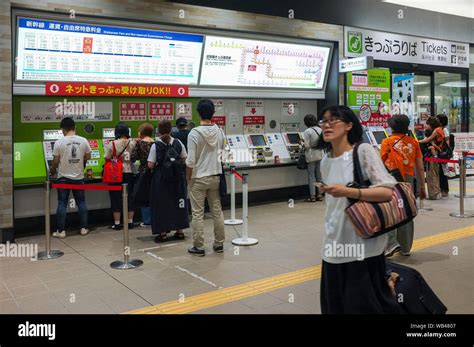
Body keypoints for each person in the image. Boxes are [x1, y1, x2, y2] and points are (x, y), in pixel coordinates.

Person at [316, 105, 400, 314]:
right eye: (324, 121)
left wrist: (349, 192)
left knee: (364, 306)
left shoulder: (362, 151)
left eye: (333, 120)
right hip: (333, 242)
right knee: (335, 305)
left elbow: (387, 192)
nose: (327, 124)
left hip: (363, 245)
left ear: (349, 125)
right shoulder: (325, 160)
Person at [381, 115, 426, 257]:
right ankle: (405, 248)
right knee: (406, 211)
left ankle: (391, 244)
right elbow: (420, 167)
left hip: (391, 179)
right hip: (407, 180)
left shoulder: (387, 142)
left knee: (391, 212)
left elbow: (381, 164)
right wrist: (421, 187)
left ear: (392, 127)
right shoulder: (413, 142)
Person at [186, 99, 226, 256]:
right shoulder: (220, 131)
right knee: (217, 211)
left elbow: (190, 161)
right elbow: (223, 153)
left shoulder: (194, 133)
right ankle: (219, 243)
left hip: (198, 178)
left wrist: (188, 178)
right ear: (213, 113)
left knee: (197, 213)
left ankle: (198, 246)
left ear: (198, 113)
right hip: (215, 177)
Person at [50, 117, 91, 238]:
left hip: (62, 177)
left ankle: (61, 231)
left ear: (63, 129)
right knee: (81, 202)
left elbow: (55, 161)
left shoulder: (59, 142)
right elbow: (88, 156)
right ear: (74, 127)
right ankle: (84, 228)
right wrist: (80, 163)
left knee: (62, 203)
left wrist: (52, 171)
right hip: (79, 177)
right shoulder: (83, 140)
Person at [148, 120, 189, 242]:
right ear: (171, 130)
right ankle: (180, 231)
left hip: (161, 180)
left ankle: (163, 233)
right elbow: (185, 159)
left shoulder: (156, 145)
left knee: (161, 205)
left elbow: (150, 164)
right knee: (179, 203)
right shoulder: (178, 142)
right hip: (177, 178)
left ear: (159, 131)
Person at [104, 122, 136, 230]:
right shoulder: (132, 143)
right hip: (130, 172)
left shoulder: (112, 144)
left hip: (116, 174)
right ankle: (130, 222)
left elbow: (107, 157)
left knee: (115, 197)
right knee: (130, 197)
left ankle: (117, 223)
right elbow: (134, 157)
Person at [131, 123, 154, 227]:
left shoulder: (139, 143)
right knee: (154, 195)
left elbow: (133, 158)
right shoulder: (156, 142)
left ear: (141, 132)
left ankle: (147, 220)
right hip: (155, 172)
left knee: (144, 196)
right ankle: (155, 217)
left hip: (144, 172)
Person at [418, 117, 444, 200]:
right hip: (437, 154)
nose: (427, 126)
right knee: (436, 174)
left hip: (433, 154)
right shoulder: (440, 129)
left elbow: (427, 140)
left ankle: (433, 195)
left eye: (428, 124)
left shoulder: (436, 130)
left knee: (431, 175)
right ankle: (437, 193)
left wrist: (416, 142)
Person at [302, 114, 323, 202]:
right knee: (319, 176)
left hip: (311, 155)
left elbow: (306, 145)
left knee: (311, 176)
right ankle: (320, 194)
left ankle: (312, 196)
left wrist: (301, 145)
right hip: (320, 154)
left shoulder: (307, 131)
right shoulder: (320, 129)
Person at [436, 114, 450, 197]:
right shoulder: (442, 129)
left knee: (442, 172)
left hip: (442, 153)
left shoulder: (444, 130)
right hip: (442, 153)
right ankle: (442, 189)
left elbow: (447, 143)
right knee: (441, 171)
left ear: (440, 122)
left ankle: (444, 190)